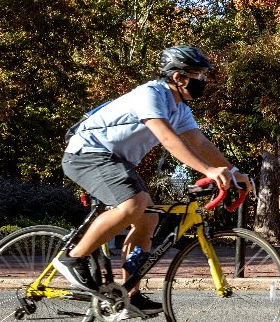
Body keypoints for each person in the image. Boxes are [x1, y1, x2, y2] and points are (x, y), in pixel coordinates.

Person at [53, 45, 254, 316]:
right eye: (198, 75)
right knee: (136, 202)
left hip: (115, 161)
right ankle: (72, 258)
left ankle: (128, 296)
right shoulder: (151, 94)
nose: (202, 81)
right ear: (178, 78)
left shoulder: (179, 108)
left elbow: (199, 141)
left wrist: (232, 171)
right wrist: (208, 171)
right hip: (87, 153)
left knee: (147, 217)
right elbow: (168, 140)